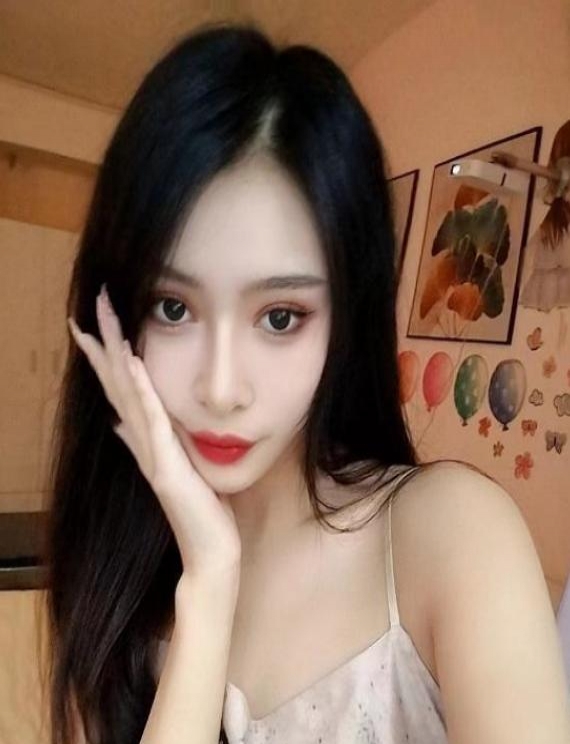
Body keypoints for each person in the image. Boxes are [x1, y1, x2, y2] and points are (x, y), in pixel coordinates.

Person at [38, 21, 570, 744]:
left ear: (344, 319)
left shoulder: (453, 538)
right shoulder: (116, 576)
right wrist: (208, 588)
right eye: (173, 308)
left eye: (281, 317)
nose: (221, 388)